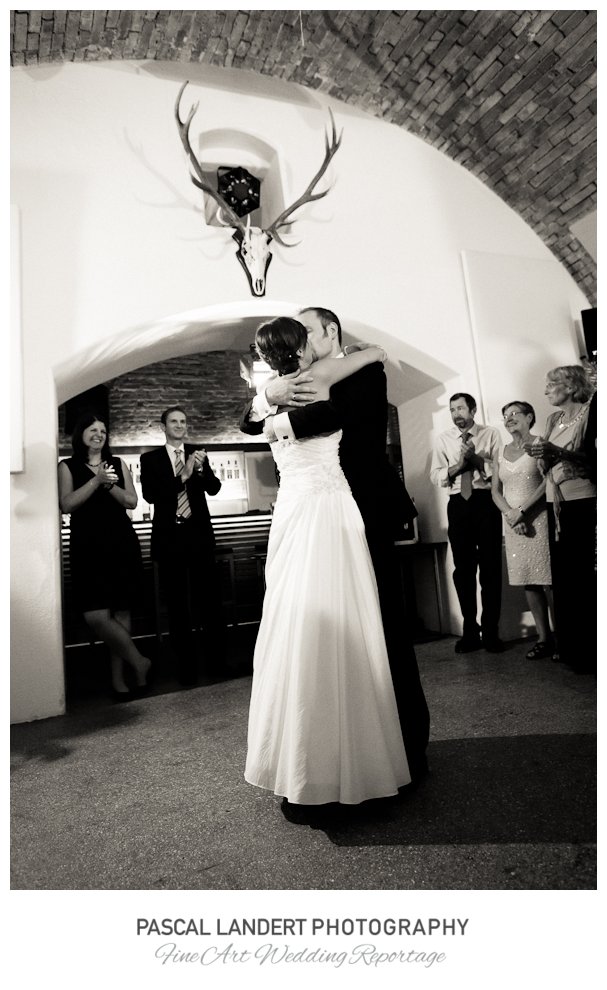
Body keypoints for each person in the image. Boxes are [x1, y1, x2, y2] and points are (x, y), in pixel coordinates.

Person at [241, 307, 429, 784]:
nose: (302, 339)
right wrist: (267, 394)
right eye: (296, 333)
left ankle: (407, 747)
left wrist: (272, 406)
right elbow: (247, 421)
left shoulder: (364, 368)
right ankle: (335, 749)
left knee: (383, 630)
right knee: (329, 629)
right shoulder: (297, 379)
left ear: (331, 331)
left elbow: (341, 417)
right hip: (318, 510)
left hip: (363, 511)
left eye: (307, 329)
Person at [58, 413, 151, 700]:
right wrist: (95, 480)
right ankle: (140, 661)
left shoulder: (118, 464)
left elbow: (132, 501)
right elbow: (66, 505)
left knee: (121, 611)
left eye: (103, 430)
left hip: (120, 541)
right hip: (87, 546)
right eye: (92, 429)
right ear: (80, 434)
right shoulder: (67, 466)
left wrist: (109, 484)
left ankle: (120, 680)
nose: (99, 434)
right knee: (96, 615)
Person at [140, 407, 226, 686]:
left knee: (209, 604)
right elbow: (152, 495)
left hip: (199, 536)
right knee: (178, 608)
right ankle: (187, 671)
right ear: (163, 427)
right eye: (174, 422)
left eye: (183, 421)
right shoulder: (150, 459)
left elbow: (213, 488)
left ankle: (217, 665)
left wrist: (199, 470)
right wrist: (184, 475)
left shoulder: (197, 455)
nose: (179, 425)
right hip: (170, 539)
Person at [524, 366, 596, 674]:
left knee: (584, 578)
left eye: (551, 385)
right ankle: (572, 649)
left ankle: (592, 650)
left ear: (570, 386)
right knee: (564, 580)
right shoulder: (554, 420)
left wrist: (557, 451)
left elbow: (592, 458)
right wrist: (543, 455)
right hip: (557, 505)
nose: (546, 391)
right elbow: (552, 456)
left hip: (583, 501)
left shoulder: (592, 414)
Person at [430, 393, 503, 654]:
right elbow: (437, 476)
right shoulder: (443, 440)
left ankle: (491, 632)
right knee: (463, 569)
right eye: (452, 410)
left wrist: (477, 461)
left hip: (485, 501)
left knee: (491, 567)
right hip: (458, 506)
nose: (456, 413)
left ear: (472, 410)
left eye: (460, 408)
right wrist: (459, 466)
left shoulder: (491, 434)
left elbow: (500, 471)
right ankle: (470, 631)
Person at [491, 402, 553, 659]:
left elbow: (548, 481)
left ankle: (566, 638)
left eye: (515, 414)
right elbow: (495, 490)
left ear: (530, 417)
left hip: (539, 519)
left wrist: (523, 511)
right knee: (529, 581)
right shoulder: (500, 452)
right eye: (505, 416)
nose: (509, 419)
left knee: (550, 581)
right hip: (513, 524)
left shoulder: (541, 444)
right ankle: (544, 638)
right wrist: (511, 515)